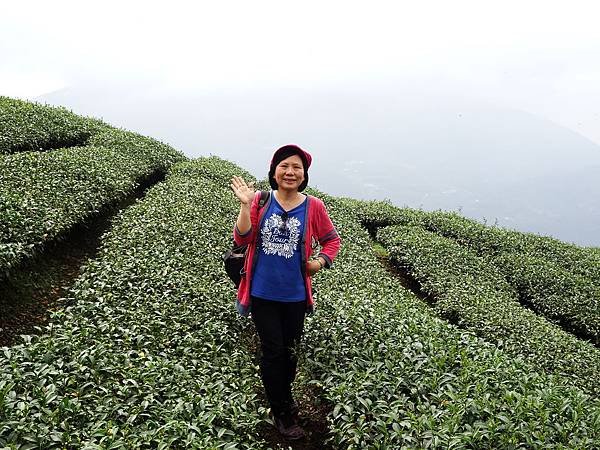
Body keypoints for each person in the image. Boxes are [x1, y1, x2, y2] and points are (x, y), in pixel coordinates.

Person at [230, 144, 341, 440]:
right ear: (274, 171)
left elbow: (332, 241)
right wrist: (244, 205)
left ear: (303, 175)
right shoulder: (261, 201)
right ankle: (282, 413)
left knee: (290, 353)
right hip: (262, 292)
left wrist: (319, 262)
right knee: (273, 351)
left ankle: (284, 398)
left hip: (294, 296)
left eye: (297, 168)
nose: (290, 172)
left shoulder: (314, 206)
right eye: (284, 166)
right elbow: (242, 238)